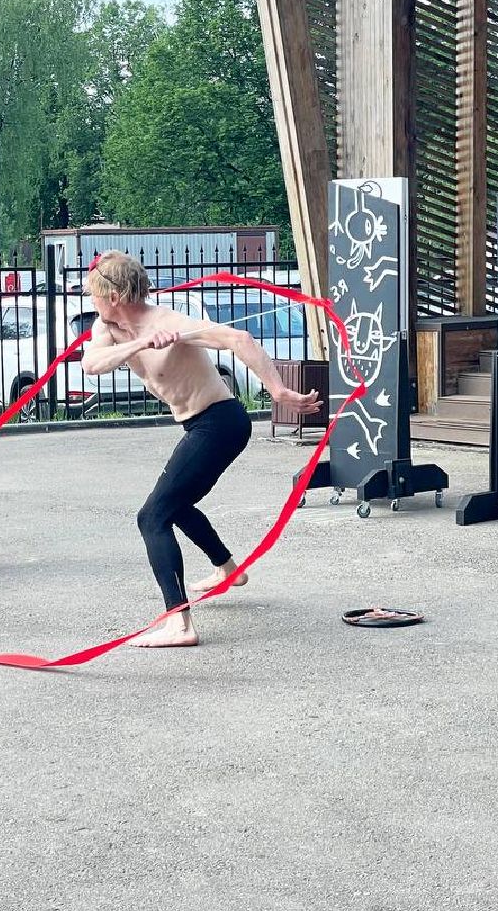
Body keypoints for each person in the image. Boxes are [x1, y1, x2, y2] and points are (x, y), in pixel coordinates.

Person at [81, 251, 321, 648]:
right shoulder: (107, 327)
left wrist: (278, 390)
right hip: (197, 424)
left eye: (93, 294)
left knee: (152, 517)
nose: (91, 301)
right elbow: (92, 364)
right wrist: (140, 343)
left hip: (220, 423)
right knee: (175, 504)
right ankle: (228, 570)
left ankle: (180, 624)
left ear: (114, 295)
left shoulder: (168, 322)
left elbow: (239, 339)